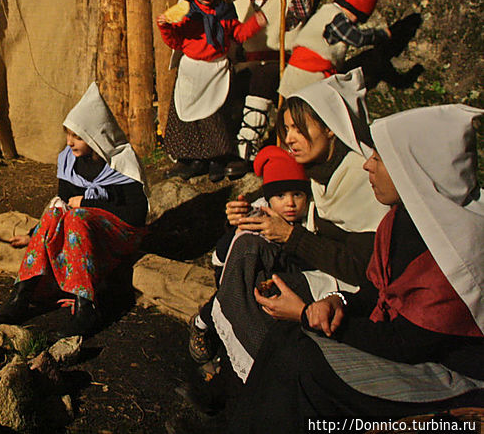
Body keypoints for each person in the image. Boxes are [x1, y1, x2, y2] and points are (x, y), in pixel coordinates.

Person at [228, 104, 484, 433]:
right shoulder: (400, 219)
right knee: (286, 335)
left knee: (303, 361)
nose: (367, 164)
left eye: (379, 158)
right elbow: (375, 289)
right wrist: (336, 302)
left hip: (453, 379)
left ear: (413, 168)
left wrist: (307, 314)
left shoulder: (455, 249)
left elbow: (406, 343)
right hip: (402, 346)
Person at [215, 68, 389, 382]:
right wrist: (245, 212)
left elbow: (362, 270)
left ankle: (267, 375)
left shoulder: (364, 180)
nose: (290, 138)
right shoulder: (315, 170)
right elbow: (279, 202)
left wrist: (292, 236)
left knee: (245, 289)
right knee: (246, 248)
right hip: (313, 270)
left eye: (300, 128)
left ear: (331, 127)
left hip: (347, 292)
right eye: (286, 128)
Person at [0, 82, 148, 336]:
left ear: (95, 135)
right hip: (83, 225)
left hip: (121, 233)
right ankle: (21, 294)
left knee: (75, 216)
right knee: (57, 210)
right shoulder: (69, 159)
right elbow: (63, 200)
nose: (70, 142)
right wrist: (35, 234)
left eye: (77, 136)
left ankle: (85, 306)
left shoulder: (121, 163)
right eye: (68, 134)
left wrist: (88, 204)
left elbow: (135, 215)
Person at [188, 144, 312, 366]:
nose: (290, 203)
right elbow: (226, 255)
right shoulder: (257, 216)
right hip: (242, 276)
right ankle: (202, 323)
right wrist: (235, 228)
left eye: (297, 194)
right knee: (230, 297)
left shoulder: (309, 224)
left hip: (280, 281)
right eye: (281, 195)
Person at [157, 0, 267, 182]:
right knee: (187, 119)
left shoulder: (224, 11)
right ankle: (192, 160)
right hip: (191, 71)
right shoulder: (187, 14)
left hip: (215, 70)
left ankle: (217, 158)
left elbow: (238, 33)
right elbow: (175, 41)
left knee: (214, 117)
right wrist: (165, 26)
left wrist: (255, 24)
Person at [227, 0, 313, 178]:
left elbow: (304, 9)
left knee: (263, 75)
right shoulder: (239, 4)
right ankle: (221, 148)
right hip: (248, 65)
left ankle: (247, 146)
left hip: (281, 65)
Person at [279, 0, 390, 98]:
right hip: (307, 75)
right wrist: (381, 34)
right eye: (357, 18)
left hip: (298, 73)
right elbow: (357, 38)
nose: (355, 23)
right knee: (306, 113)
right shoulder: (337, 18)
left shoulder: (326, 11)